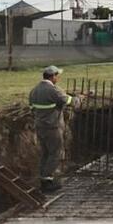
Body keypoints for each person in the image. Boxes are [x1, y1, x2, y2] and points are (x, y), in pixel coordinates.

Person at [28, 65, 83, 193]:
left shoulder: (34, 91)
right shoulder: (53, 90)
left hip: (40, 127)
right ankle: (47, 182)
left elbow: (32, 109)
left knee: (45, 153)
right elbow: (70, 101)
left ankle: (43, 179)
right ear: (52, 76)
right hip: (52, 127)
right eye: (57, 76)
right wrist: (79, 98)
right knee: (55, 153)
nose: (58, 78)